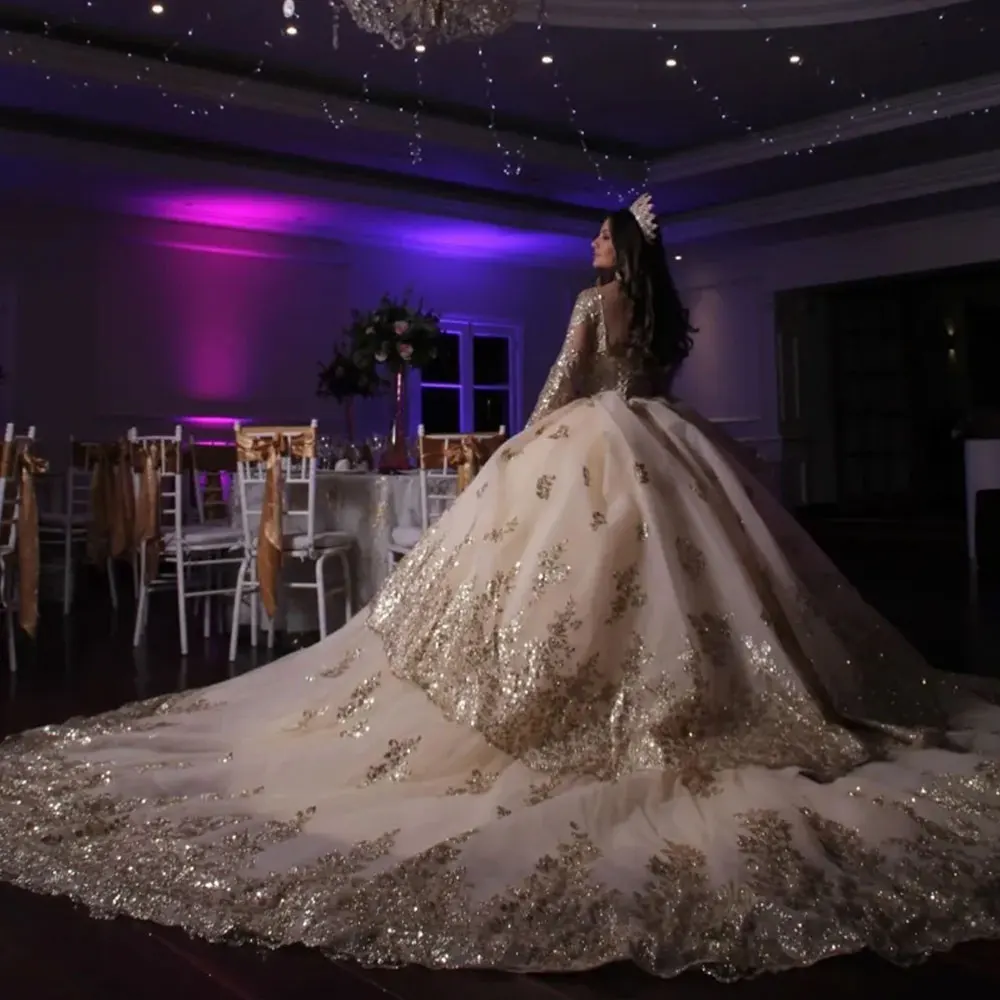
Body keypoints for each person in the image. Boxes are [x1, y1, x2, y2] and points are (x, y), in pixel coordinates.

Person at [1, 194, 999, 980]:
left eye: (601, 238)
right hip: (665, 449)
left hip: (590, 446)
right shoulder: (660, 316)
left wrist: (523, 440)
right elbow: (648, 382)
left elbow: (562, 386)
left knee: (558, 586)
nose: (592, 248)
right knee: (696, 591)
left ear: (618, 250)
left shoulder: (587, 305)